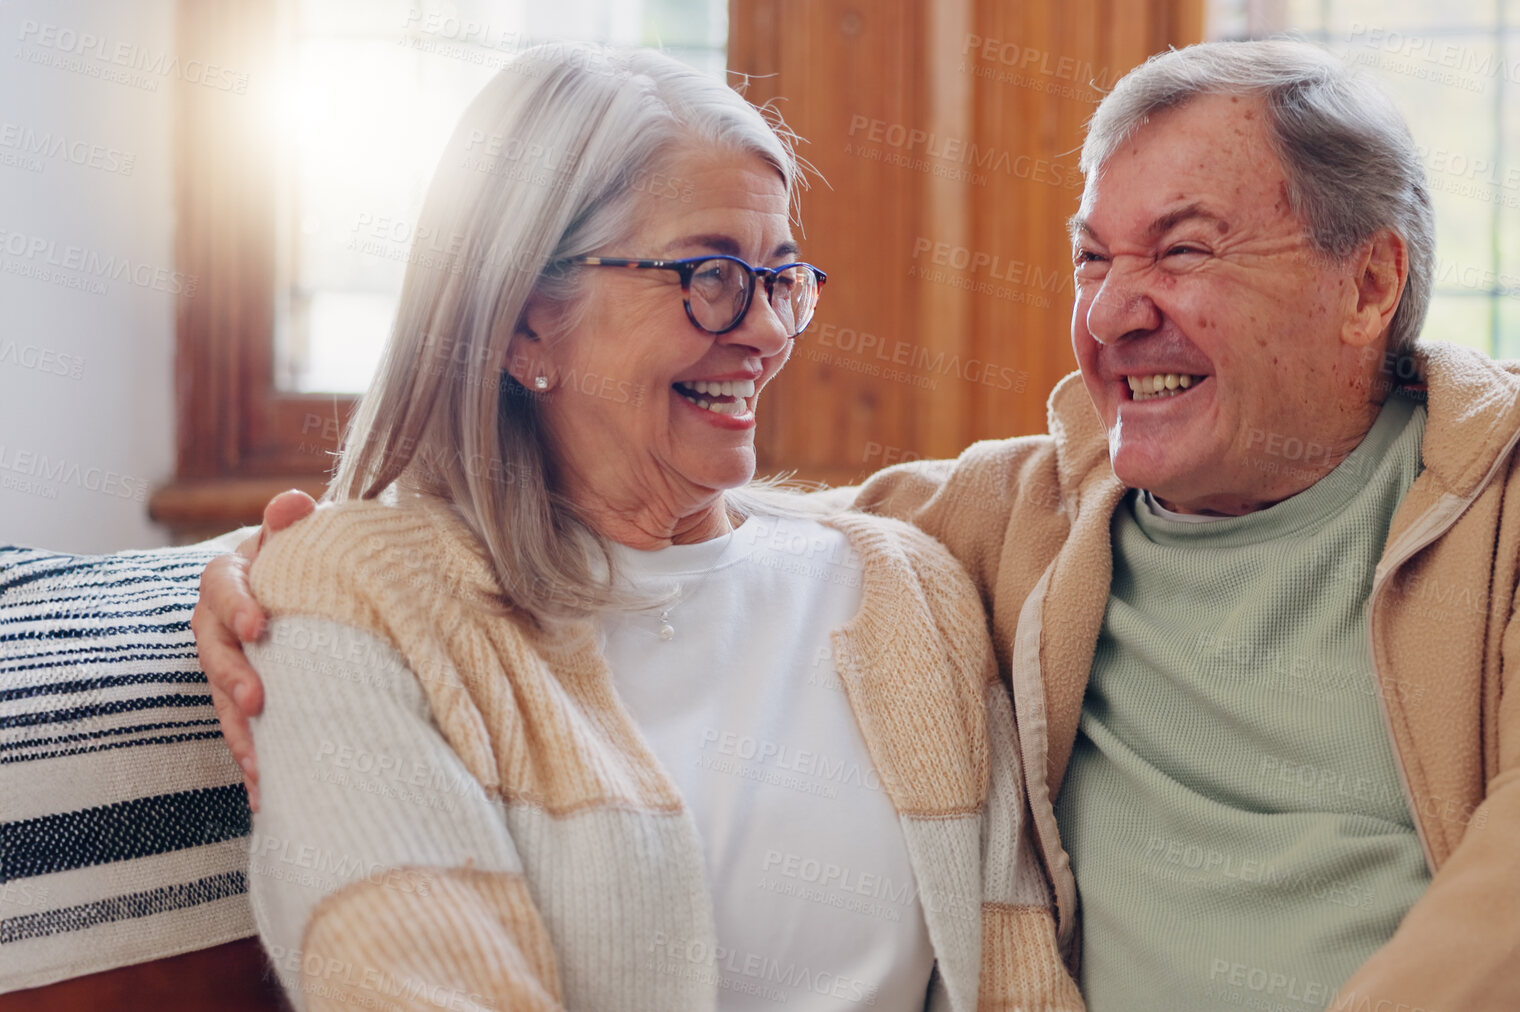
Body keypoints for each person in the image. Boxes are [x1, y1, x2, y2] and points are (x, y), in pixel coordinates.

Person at [197, 39, 1520, 1011]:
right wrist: (248, 578)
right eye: (1087, 255)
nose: (1113, 310)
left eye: (1177, 248)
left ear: (1368, 279)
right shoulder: (1012, 519)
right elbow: (667, 531)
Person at [210, 42, 1080, 1012]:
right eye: (711, 275)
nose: (762, 330)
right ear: (525, 322)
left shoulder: (907, 590)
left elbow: (1016, 979)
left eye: (781, 278)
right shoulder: (361, 604)